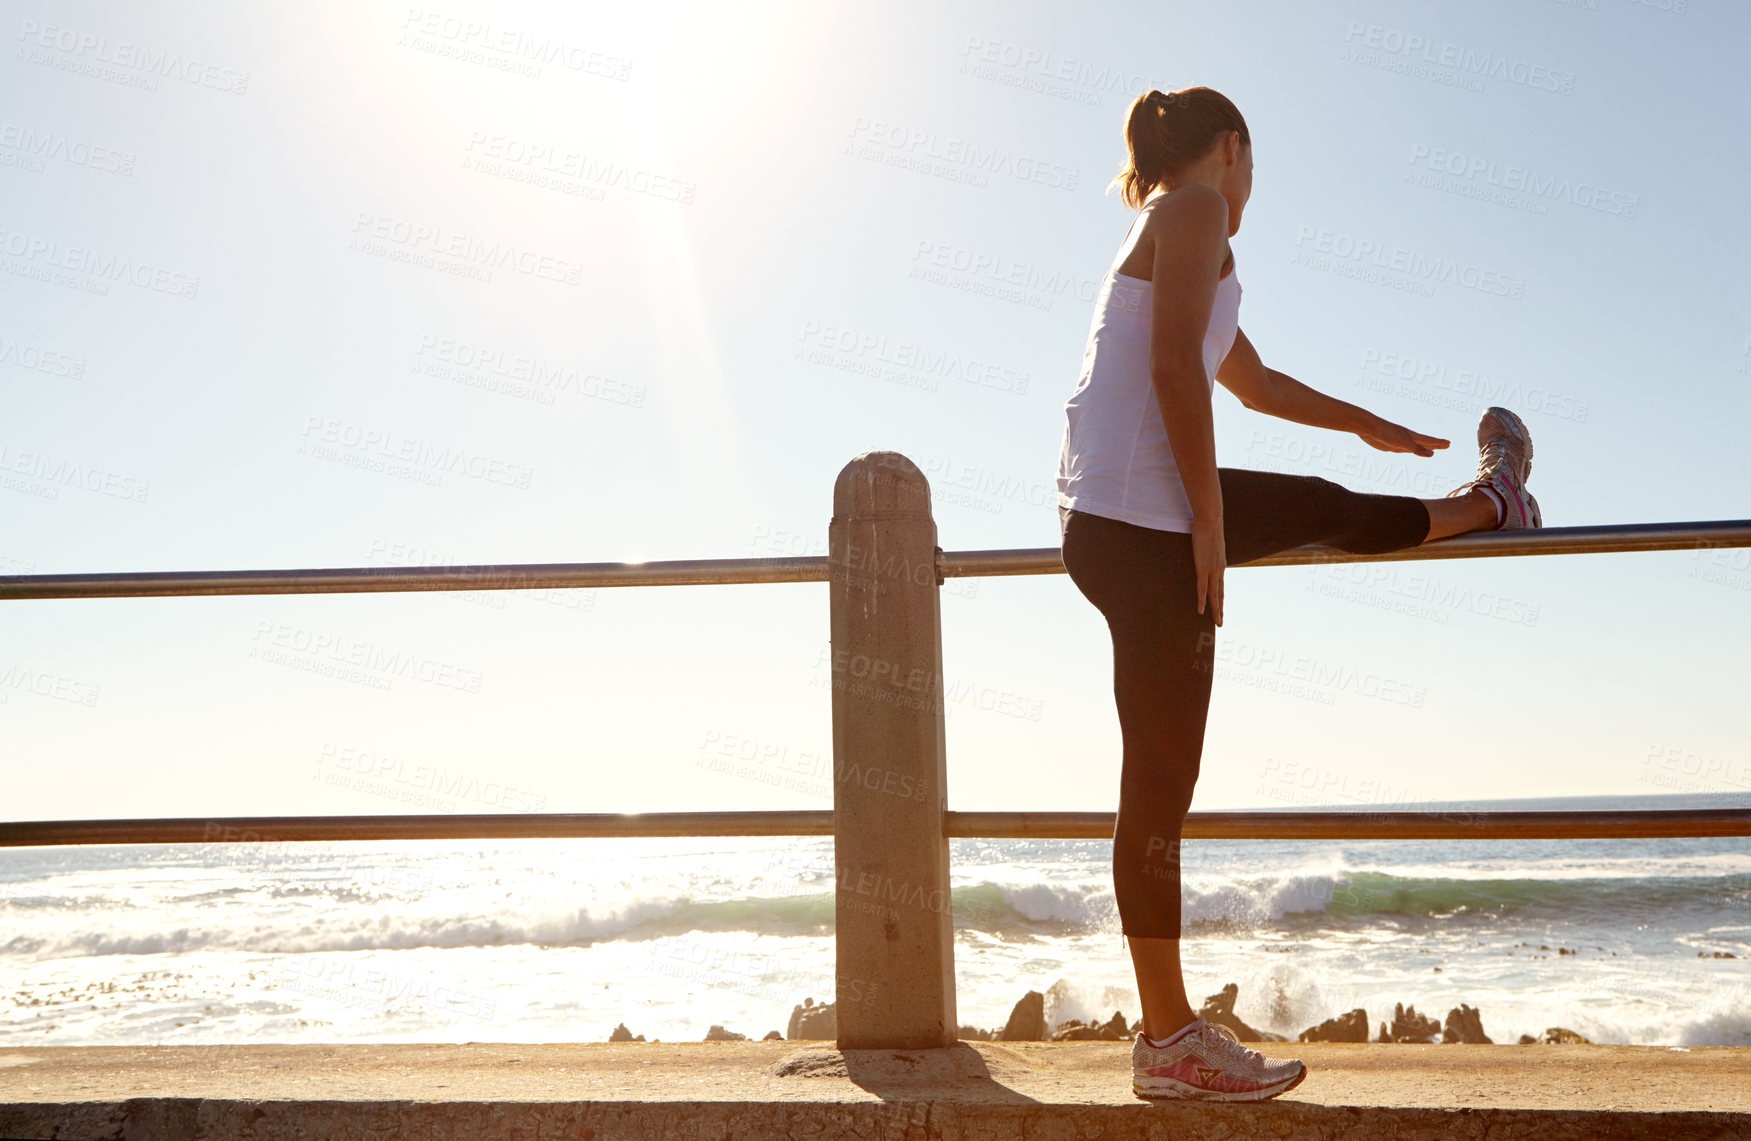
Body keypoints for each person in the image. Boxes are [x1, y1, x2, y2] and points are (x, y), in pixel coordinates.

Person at [1054, 85, 1541, 1103]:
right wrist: (1208, 522)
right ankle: (1495, 500)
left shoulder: (1173, 234)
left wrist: (1367, 419)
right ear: (1229, 149)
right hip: (1148, 523)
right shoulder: (1190, 212)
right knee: (1157, 790)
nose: (1250, 184)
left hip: (1109, 521)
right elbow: (1169, 374)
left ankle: (1163, 1037)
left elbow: (1250, 381)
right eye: (1252, 160)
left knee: (1157, 778)